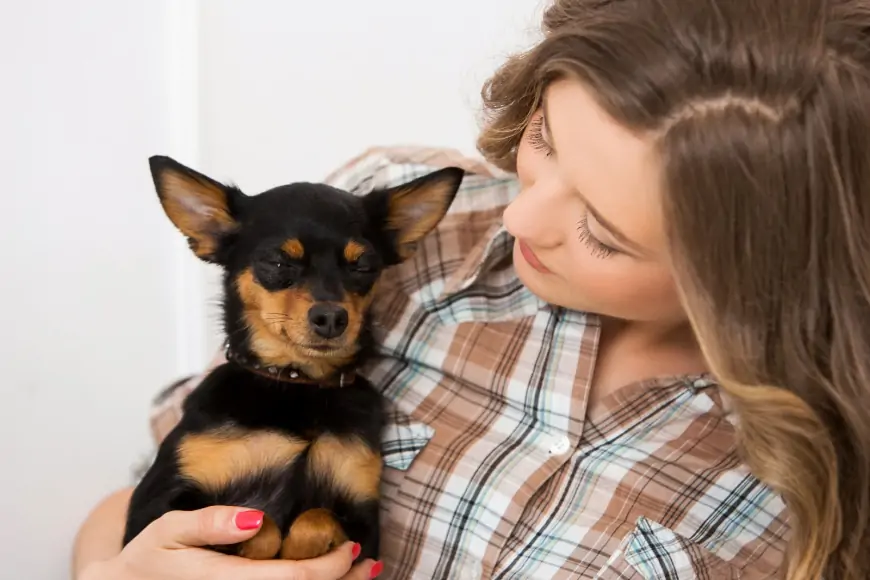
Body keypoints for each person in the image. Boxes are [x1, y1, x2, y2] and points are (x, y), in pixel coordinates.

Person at [73, 0, 870, 578]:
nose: (518, 213)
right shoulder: (395, 218)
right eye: (542, 140)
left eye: (601, 228)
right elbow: (141, 490)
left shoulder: (821, 467)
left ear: (753, 277)